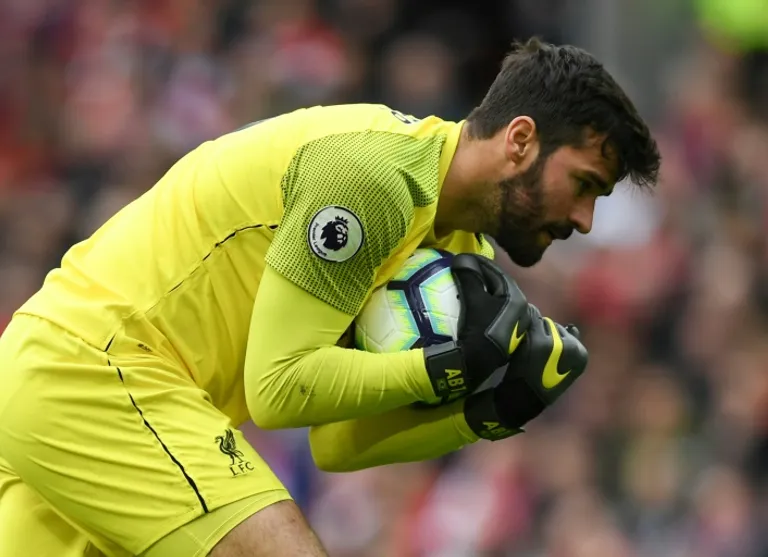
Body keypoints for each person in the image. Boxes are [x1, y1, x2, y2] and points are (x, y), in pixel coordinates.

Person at [0, 38, 659, 557]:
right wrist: (442, 368)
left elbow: (336, 443)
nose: (585, 221)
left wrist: (488, 409)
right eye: (584, 184)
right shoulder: (371, 178)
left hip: (61, 381)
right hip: (102, 371)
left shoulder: (452, 248)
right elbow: (277, 389)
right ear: (520, 141)